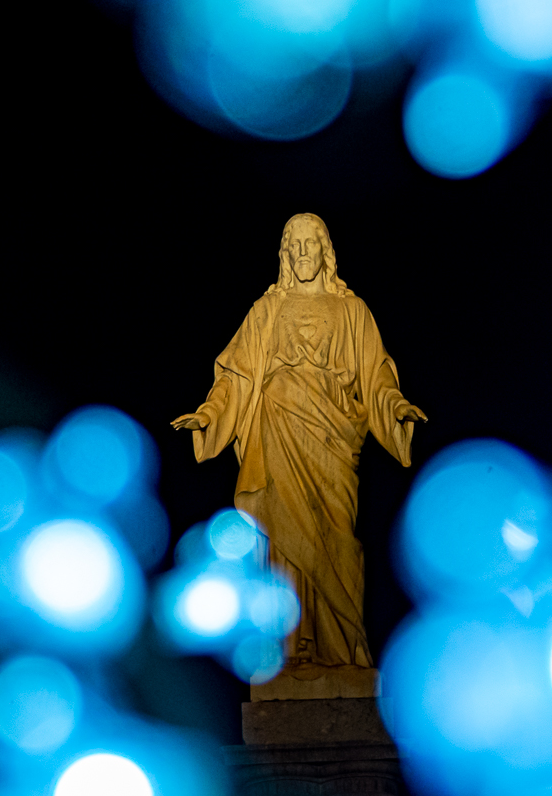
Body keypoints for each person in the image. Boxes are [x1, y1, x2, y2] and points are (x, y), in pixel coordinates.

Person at [171, 213, 426, 693]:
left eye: (312, 244)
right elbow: (236, 376)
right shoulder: (266, 311)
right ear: (286, 254)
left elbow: (376, 374)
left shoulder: (352, 311)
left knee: (336, 541)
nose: (304, 253)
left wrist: (395, 407)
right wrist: (210, 414)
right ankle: (292, 649)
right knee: (282, 541)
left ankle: (342, 650)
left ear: (326, 252)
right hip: (278, 433)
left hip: (333, 440)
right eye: (296, 245)